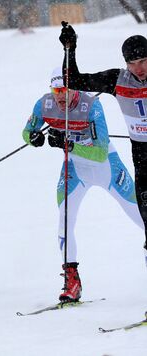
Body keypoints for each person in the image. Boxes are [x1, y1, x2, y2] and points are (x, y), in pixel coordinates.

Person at [23, 68, 145, 302]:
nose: (61, 96)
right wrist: (34, 138)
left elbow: (99, 153)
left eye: (66, 90)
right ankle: (72, 282)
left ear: (74, 89)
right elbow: (26, 132)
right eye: (56, 90)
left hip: (107, 168)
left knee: (141, 217)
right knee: (64, 221)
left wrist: (68, 145)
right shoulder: (44, 105)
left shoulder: (91, 106)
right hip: (74, 170)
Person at [59, 22, 147, 267]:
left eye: (143, 61)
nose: (138, 68)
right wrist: (70, 48)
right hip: (142, 157)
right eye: (133, 63)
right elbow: (73, 81)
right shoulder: (118, 79)